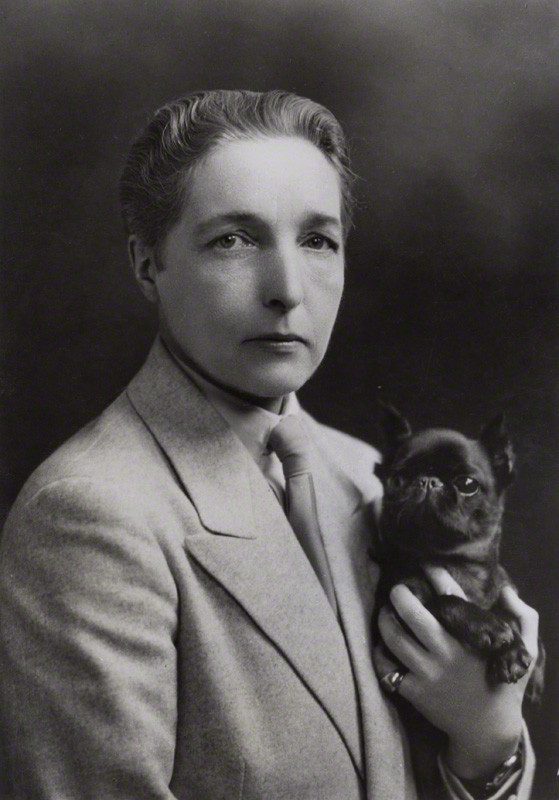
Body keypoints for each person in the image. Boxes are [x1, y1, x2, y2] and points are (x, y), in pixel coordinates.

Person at [0, 89, 538, 800]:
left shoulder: (367, 477)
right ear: (146, 265)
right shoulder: (90, 514)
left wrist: (487, 739)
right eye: (233, 239)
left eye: (317, 240)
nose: (286, 289)